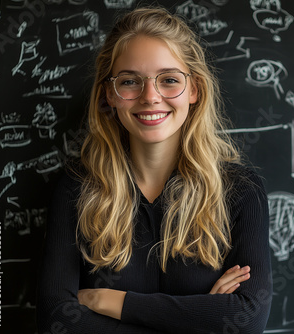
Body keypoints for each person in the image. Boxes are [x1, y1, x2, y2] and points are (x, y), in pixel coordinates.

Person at [36, 7, 272, 334]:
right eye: (130, 81)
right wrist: (201, 320)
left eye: (169, 80)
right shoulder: (78, 189)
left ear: (195, 90)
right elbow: (58, 321)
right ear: (109, 93)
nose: (150, 97)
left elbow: (246, 319)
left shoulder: (239, 191)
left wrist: (112, 302)